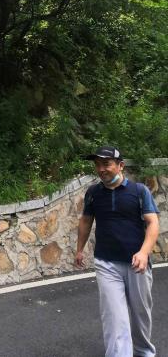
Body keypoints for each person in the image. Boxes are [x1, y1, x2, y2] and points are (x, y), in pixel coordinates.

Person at [75, 146, 160, 357]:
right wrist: (79, 249)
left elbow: (153, 223)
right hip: (106, 262)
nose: (101, 169)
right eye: (97, 164)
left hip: (137, 264)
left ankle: (144, 351)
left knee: (140, 313)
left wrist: (144, 252)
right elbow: (86, 221)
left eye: (106, 164)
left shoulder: (139, 191)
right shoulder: (93, 193)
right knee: (113, 316)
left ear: (120, 165)